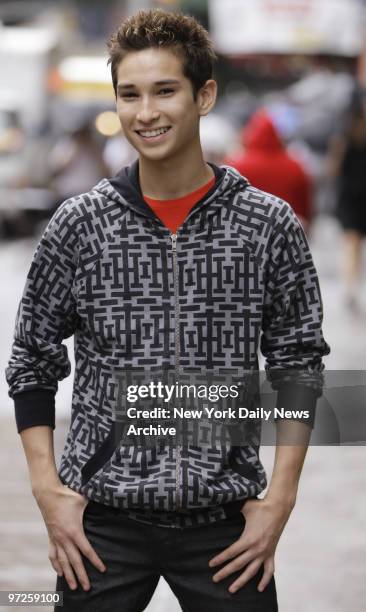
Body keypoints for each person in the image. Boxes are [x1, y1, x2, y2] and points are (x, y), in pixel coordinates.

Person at [6, 9, 330, 612]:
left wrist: (278, 500)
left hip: (227, 527)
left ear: (204, 95)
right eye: (129, 94)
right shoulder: (81, 225)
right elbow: (32, 358)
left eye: (164, 91)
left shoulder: (266, 224)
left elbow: (298, 363)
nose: (145, 112)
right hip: (100, 526)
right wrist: (47, 490)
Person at [225, 109, 313, 232]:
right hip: (286, 228)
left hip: (244, 229)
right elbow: (304, 206)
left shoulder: (236, 165)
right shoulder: (295, 166)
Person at [328, 106, 366, 310]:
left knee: (352, 245)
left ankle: (351, 288)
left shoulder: (344, 139)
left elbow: (333, 170)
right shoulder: (344, 140)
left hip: (351, 197)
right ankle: (351, 288)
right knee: (353, 245)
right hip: (354, 198)